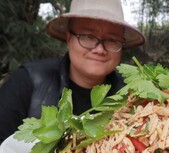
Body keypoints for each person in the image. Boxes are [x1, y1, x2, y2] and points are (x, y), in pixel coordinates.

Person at [0, 0, 145, 145]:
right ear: (69, 39)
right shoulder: (27, 81)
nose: (100, 49)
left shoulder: (133, 95)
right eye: (88, 36)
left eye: (112, 40)